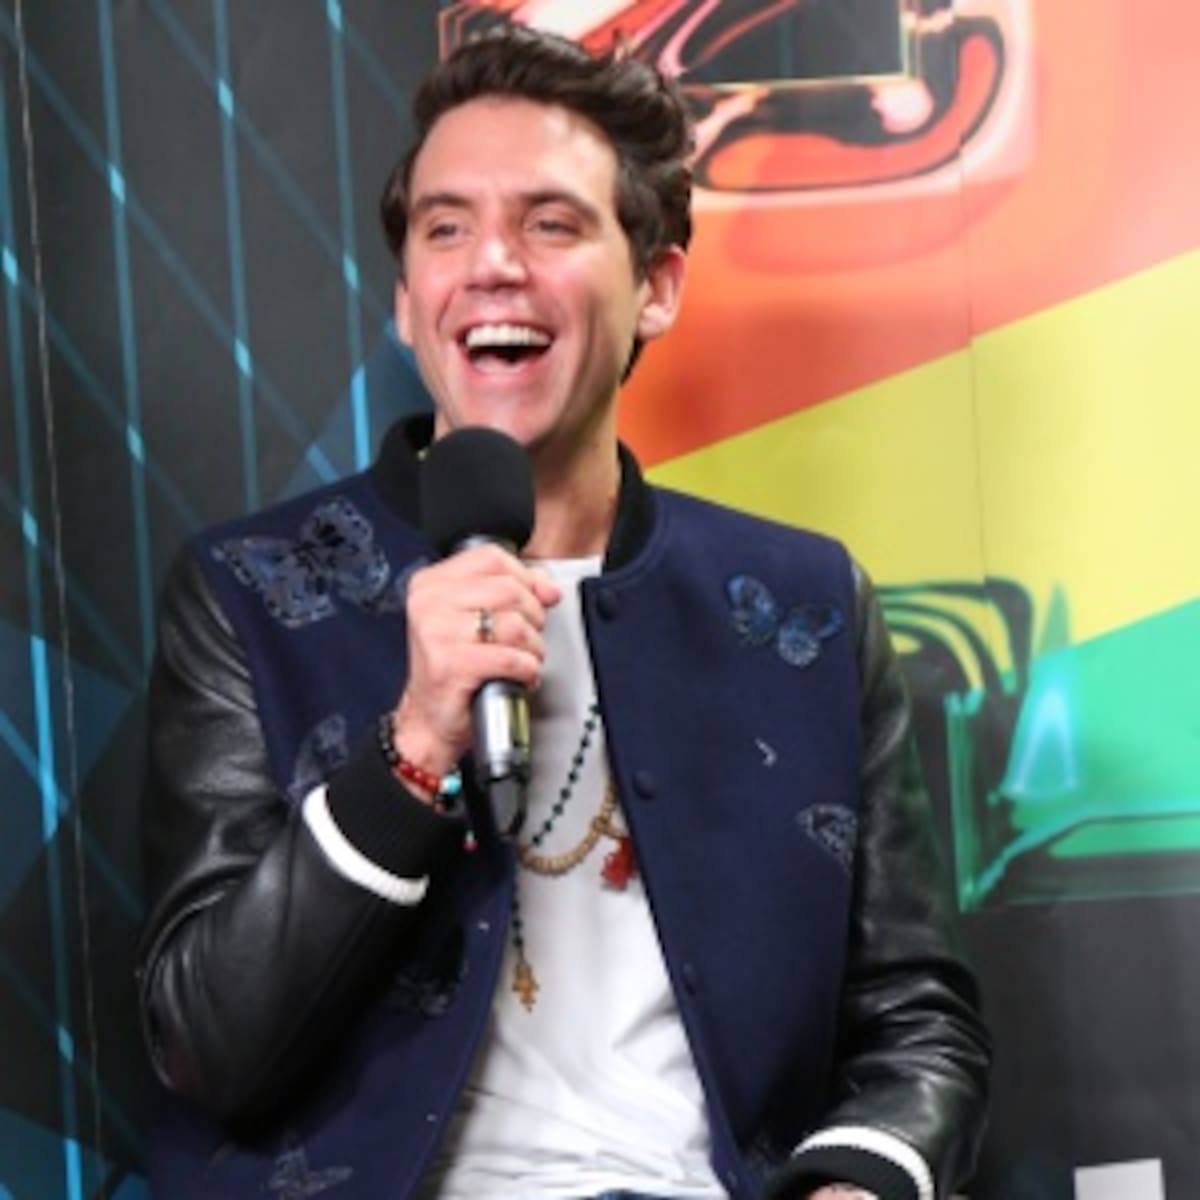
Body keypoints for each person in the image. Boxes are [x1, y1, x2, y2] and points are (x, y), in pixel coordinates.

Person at [136, 24, 990, 1200]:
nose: (493, 263)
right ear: (406, 303)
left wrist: (859, 1182)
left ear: (656, 287)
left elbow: (918, 1021)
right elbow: (204, 1045)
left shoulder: (801, 609)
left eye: (550, 223)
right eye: (447, 228)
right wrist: (412, 753)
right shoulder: (253, 594)